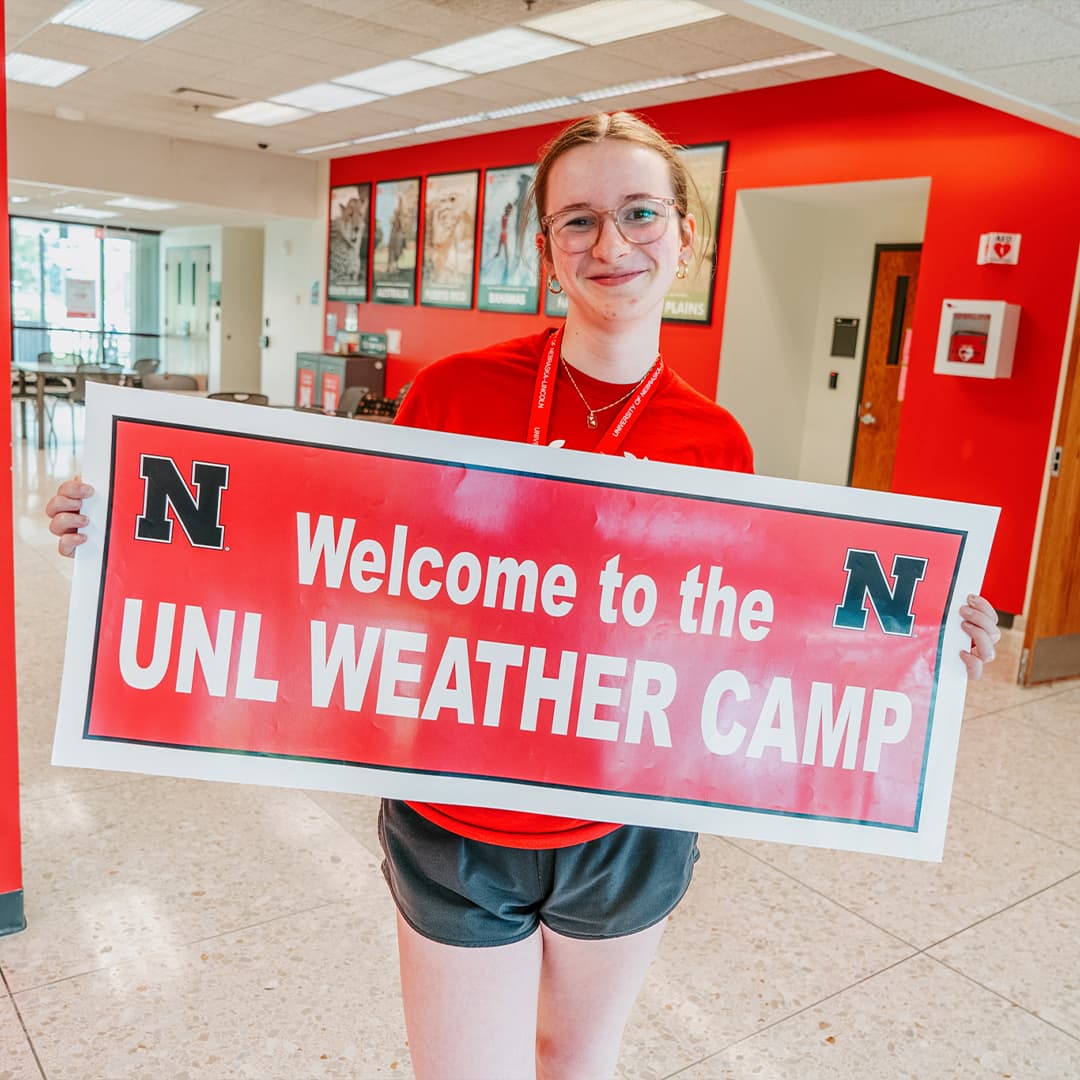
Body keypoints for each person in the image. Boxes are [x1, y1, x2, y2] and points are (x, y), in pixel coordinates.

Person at [46, 112, 1002, 1080]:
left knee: (576, 1061)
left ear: (685, 236)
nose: (611, 244)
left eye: (639, 213)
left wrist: (926, 636)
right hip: (454, 815)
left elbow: (746, 630)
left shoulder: (716, 443)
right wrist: (126, 526)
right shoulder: (452, 397)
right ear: (546, 249)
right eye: (577, 220)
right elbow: (336, 559)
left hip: (627, 823)